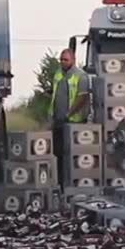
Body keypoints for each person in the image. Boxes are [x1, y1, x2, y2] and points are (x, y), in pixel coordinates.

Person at [49, 49, 91, 184]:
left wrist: (69, 114)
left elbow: (82, 98)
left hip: (74, 122)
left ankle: (71, 183)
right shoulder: (58, 74)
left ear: (73, 60)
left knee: (71, 155)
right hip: (58, 121)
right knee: (58, 153)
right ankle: (60, 183)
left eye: (66, 60)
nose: (63, 62)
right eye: (61, 59)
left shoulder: (81, 76)